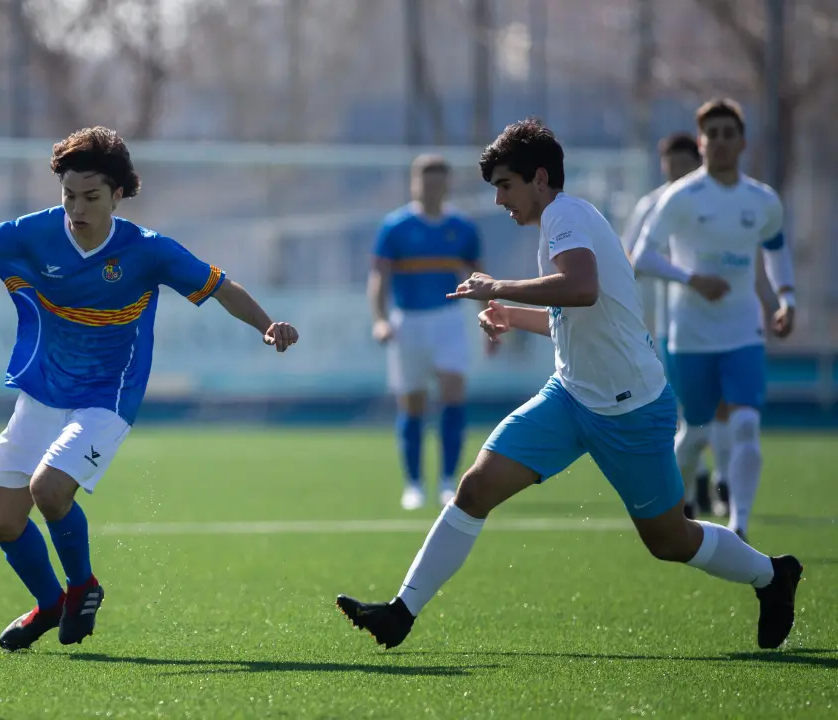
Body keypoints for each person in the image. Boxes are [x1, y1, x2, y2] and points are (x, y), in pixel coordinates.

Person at [335, 118, 801, 652]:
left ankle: (772, 575)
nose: (499, 200)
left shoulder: (565, 214)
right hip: (570, 395)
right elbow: (574, 309)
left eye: (505, 186)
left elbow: (581, 288)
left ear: (539, 178)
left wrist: (498, 287)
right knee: (476, 488)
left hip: (630, 409)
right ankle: (401, 612)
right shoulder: (559, 222)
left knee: (669, 539)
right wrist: (512, 314)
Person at [0, 125, 299, 652]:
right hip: (43, 391)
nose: (77, 208)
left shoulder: (147, 251)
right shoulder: (36, 233)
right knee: (1, 522)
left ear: (117, 195)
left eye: (91, 197)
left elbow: (221, 288)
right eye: (68, 195)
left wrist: (266, 324)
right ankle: (50, 604)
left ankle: (83, 587)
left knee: (49, 489)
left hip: (107, 398)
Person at [631, 99, 797, 542]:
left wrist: (786, 298)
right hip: (690, 334)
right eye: (713, 134)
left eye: (729, 133)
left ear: (743, 142)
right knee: (697, 431)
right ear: (701, 143)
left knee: (745, 424)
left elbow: (776, 250)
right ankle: (676, 501)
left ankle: (738, 523)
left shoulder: (762, 200)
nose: (721, 141)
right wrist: (692, 279)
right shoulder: (680, 197)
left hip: (744, 331)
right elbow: (642, 257)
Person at [369, 155, 487, 510]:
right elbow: (379, 278)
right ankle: (414, 485)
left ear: (447, 184)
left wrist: (489, 317)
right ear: (414, 184)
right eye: (425, 181)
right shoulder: (395, 227)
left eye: (438, 182)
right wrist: (380, 319)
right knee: (413, 402)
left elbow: (480, 277)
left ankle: (449, 481)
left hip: (449, 320)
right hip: (408, 322)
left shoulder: (462, 227)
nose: (432, 188)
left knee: (453, 393)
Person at [621, 132, 727, 519]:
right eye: (671, 165)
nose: (678, 172)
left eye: (685, 164)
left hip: (718, 320)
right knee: (682, 407)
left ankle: (722, 485)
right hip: (667, 323)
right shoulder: (651, 205)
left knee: (723, 407)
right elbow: (630, 258)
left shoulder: (714, 201)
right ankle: (697, 485)